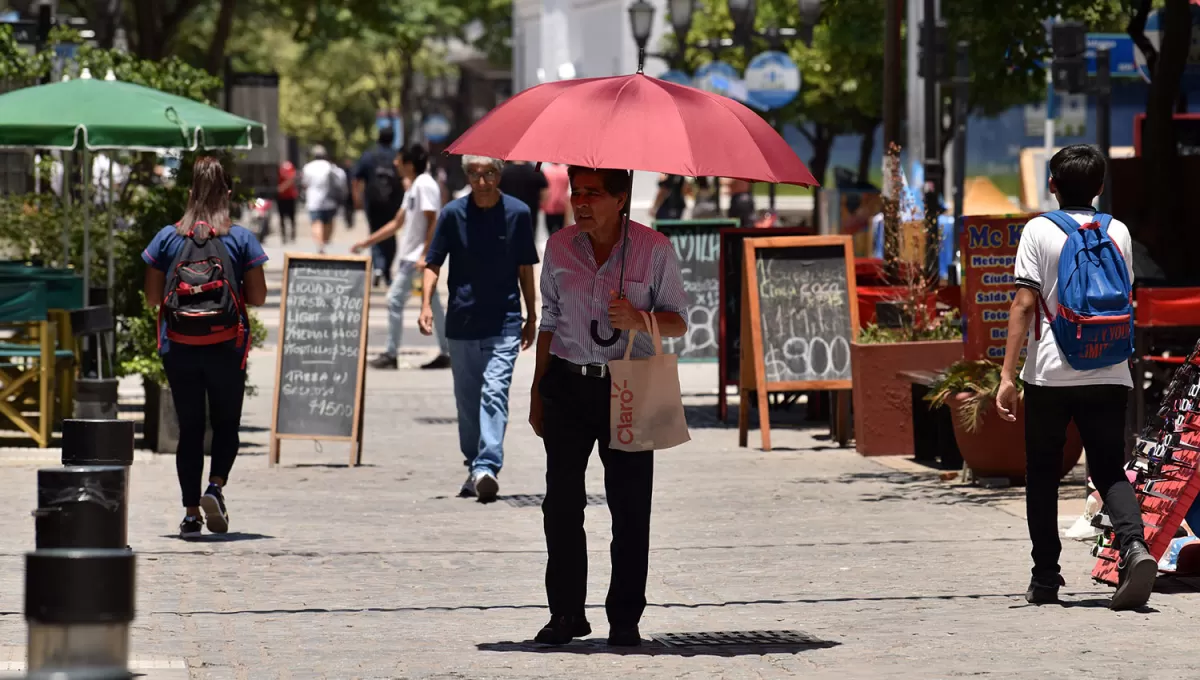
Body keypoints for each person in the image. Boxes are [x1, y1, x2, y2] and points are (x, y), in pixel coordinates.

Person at [529, 165, 689, 647]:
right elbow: (549, 321)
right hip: (567, 385)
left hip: (629, 386)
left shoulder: (653, 249)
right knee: (561, 504)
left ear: (621, 199)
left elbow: (679, 321)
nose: (580, 202)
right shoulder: (559, 247)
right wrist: (537, 390)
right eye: (577, 192)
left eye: (593, 194)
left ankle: (625, 616)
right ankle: (566, 614)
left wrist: (639, 319)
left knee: (630, 506)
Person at [997, 143, 1155, 611]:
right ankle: (1134, 546)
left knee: (1043, 473)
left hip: (1050, 371)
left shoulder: (1038, 229)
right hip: (1110, 368)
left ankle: (1046, 578)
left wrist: (1007, 375)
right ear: (1100, 186)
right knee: (1108, 468)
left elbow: (1025, 304)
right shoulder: (1118, 231)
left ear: (1052, 184)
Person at [141, 157, 268, 539]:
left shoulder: (167, 238)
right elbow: (258, 297)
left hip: (179, 347)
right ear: (227, 193)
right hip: (226, 346)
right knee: (227, 424)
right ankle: (215, 486)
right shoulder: (240, 239)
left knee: (190, 429)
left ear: (190, 192)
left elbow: (152, 298)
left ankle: (191, 513)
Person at [418, 155, 539, 502]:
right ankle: (475, 465)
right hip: (462, 323)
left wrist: (532, 315)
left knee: (494, 393)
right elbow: (433, 263)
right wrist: (425, 305)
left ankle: (487, 465)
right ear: (466, 177)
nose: (481, 181)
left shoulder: (518, 213)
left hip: (505, 322)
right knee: (468, 403)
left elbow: (525, 267)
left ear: (499, 175)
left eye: (488, 173)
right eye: (474, 174)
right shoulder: (452, 214)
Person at [350, 144, 451, 370]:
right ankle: (447, 351)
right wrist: (367, 242)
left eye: (399, 159)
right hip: (413, 257)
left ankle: (391, 353)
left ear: (409, 164)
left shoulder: (424, 185)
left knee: (394, 299)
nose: (395, 163)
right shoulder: (414, 186)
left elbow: (434, 220)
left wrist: (425, 254)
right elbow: (397, 222)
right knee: (433, 304)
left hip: (417, 259)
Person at [354, 127, 404, 287]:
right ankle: (386, 270)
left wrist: (357, 198)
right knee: (390, 234)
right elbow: (405, 178)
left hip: (373, 202)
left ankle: (378, 268)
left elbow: (356, 178)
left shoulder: (369, 155)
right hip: (393, 202)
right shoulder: (397, 156)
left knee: (375, 234)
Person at [302, 145, 345, 254]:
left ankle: (320, 244)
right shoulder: (330, 167)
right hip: (330, 201)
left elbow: (304, 184)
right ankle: (324, 241)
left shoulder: (308, 168)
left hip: (313, 201)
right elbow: (340, 180)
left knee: (316, 222)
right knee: (328, 222)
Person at [499, 160, 549, 230]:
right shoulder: (536, 171)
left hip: (508, 213)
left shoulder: (504, 172)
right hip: (530, 213)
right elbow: (545, 192)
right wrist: (540, 204)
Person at [541, 162, 571, 237]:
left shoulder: (545, 172)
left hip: (549, 206)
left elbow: (544, 191)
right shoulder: (566, 171)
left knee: (550, 233)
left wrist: (542, 204)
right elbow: (569, 191)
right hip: (563, 206)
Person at [275, 160, 298, 243]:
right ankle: (283, 235)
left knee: (292, 217)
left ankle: (292, 234)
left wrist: (282, 187)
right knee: (282, 217)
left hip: (290, 196)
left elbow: (291, 179)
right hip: (281, 197)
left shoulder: (289, 167)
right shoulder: (279, 169)